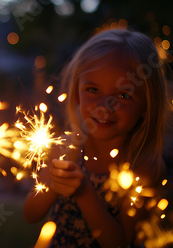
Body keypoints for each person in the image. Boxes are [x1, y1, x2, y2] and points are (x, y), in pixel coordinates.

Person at [23, 29, 169, 247]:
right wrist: (55, 182)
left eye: (123, 95)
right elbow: (31, 214)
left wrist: (83, 192)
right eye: (93, 90)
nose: (105, 106)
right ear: (76, 94)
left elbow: (118, 243)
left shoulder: (144, 166)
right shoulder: (65, 148)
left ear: (147, 105)